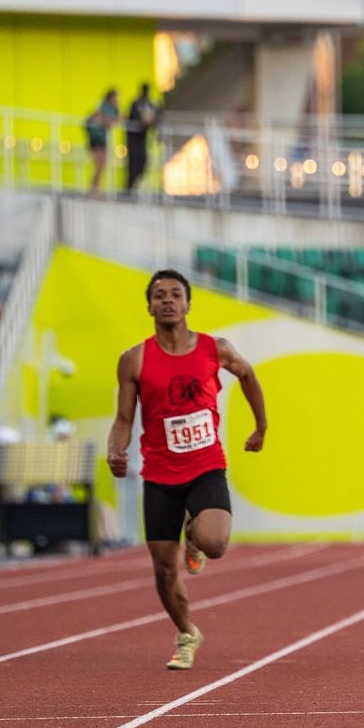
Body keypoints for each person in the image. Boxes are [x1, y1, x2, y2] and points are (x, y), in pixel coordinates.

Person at [106, 269, 267, 670]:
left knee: (215, 543)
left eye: (175, 294)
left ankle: (195, 535)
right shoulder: (134, 360)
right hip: (160, 473)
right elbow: (124, 419)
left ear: (188, 304)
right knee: (163, 567)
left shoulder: (216, 349)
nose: (167, 300)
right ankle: (186, 632)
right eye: (159, 295)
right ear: (149, 307)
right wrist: (116, 450)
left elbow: (247, 375)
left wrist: (261, 426)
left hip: (205, 464)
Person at [124, 83, 161, 193]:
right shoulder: (136, 104)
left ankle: (133, 187)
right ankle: (128, 189)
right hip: (133, 139)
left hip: (142, 140)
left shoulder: (150, 104)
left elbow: (157, 117)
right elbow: (132, 119)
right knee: (132, 165)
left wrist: (151, 123)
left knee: (142, 163)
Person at [85, 89, 120, 194]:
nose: (117, 100)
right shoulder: (102, 106)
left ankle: (95, 187)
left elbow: (112, 122)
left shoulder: (114, 109)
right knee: (99, 164)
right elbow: (98, 118)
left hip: (103, 139)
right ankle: (94, 187)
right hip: (96, 138)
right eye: (116, 97)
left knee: (102, 164)